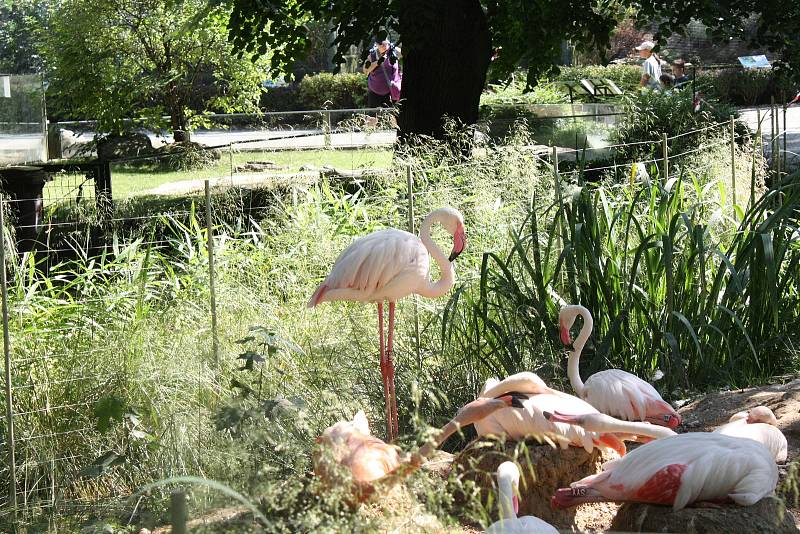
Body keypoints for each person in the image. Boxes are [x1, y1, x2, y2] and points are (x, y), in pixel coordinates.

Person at [363, 38, 401, 108]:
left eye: (386, 45)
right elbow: (365, 70)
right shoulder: (372, 55)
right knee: (373, 117)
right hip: (374, 93)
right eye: (382, 45)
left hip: (392, 91)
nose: (384, 47)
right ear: (377, 45)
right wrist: (379, 62)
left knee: (393, 116)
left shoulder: (395, 52)